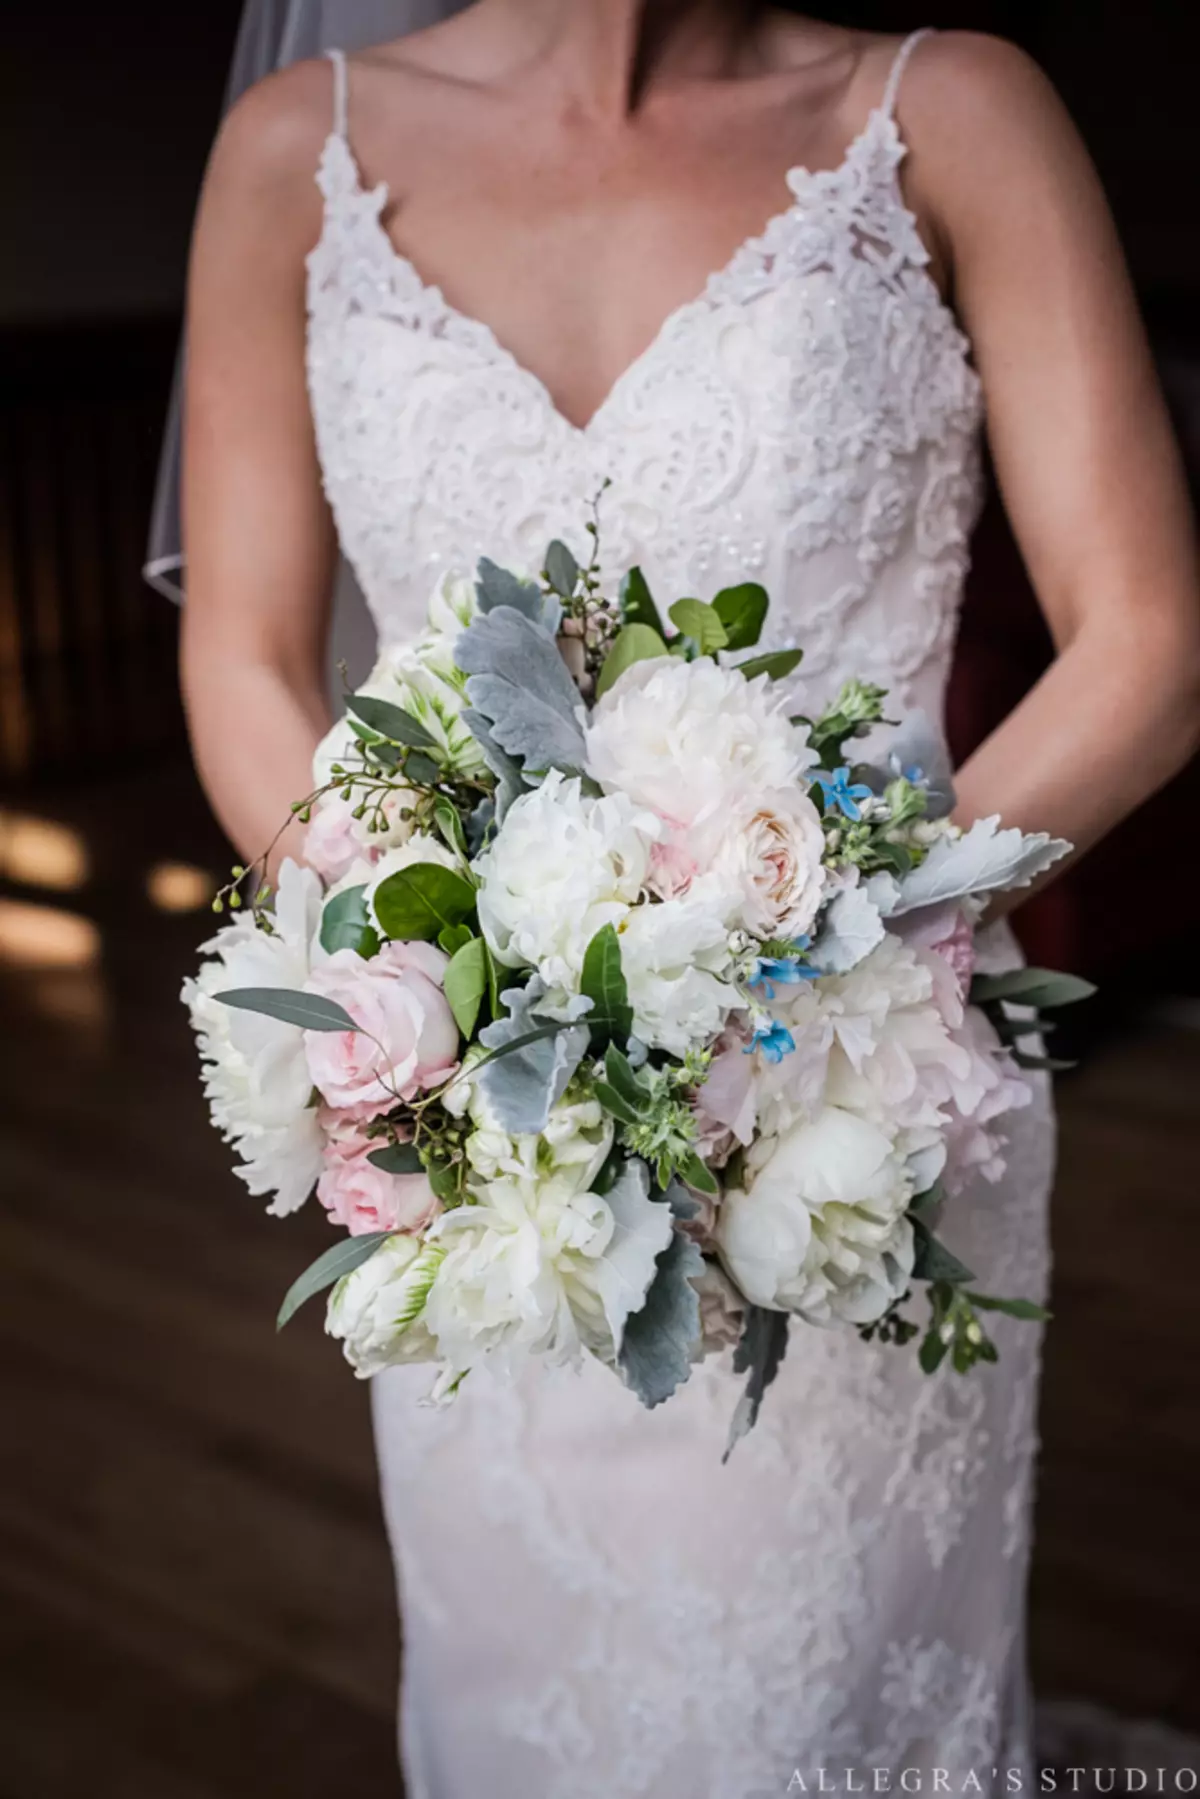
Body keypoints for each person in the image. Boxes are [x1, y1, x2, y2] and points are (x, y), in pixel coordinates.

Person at [178, 4, 1200, 1791]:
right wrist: (438, 985)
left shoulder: (948, 116)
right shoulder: (295, 155)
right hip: (487, 1164)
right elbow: (247, 657)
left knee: (823, 1711)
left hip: (860, 1106)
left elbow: (1152, 646)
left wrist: (822, 949)